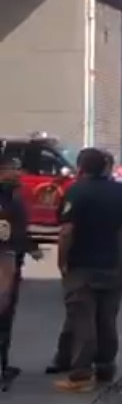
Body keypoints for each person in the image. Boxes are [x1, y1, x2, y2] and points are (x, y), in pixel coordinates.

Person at [54, 148, 122, 393]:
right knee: (107, 319)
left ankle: (81, 374)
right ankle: (105, 368)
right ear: (106, 167)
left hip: (82, 265)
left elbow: (66, 231)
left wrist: (62, 262)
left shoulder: (76, 192)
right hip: (115, 265)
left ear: (81, 167)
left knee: (83, 320)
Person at [0, 158, 42, 391]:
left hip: (10, 261)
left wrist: (30, 247)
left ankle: (4, 363)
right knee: (3, 317)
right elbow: (11, 237)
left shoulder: (12, 197)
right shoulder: (8, 201)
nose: (16, 173)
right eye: (10, 169)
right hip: (5, 265)